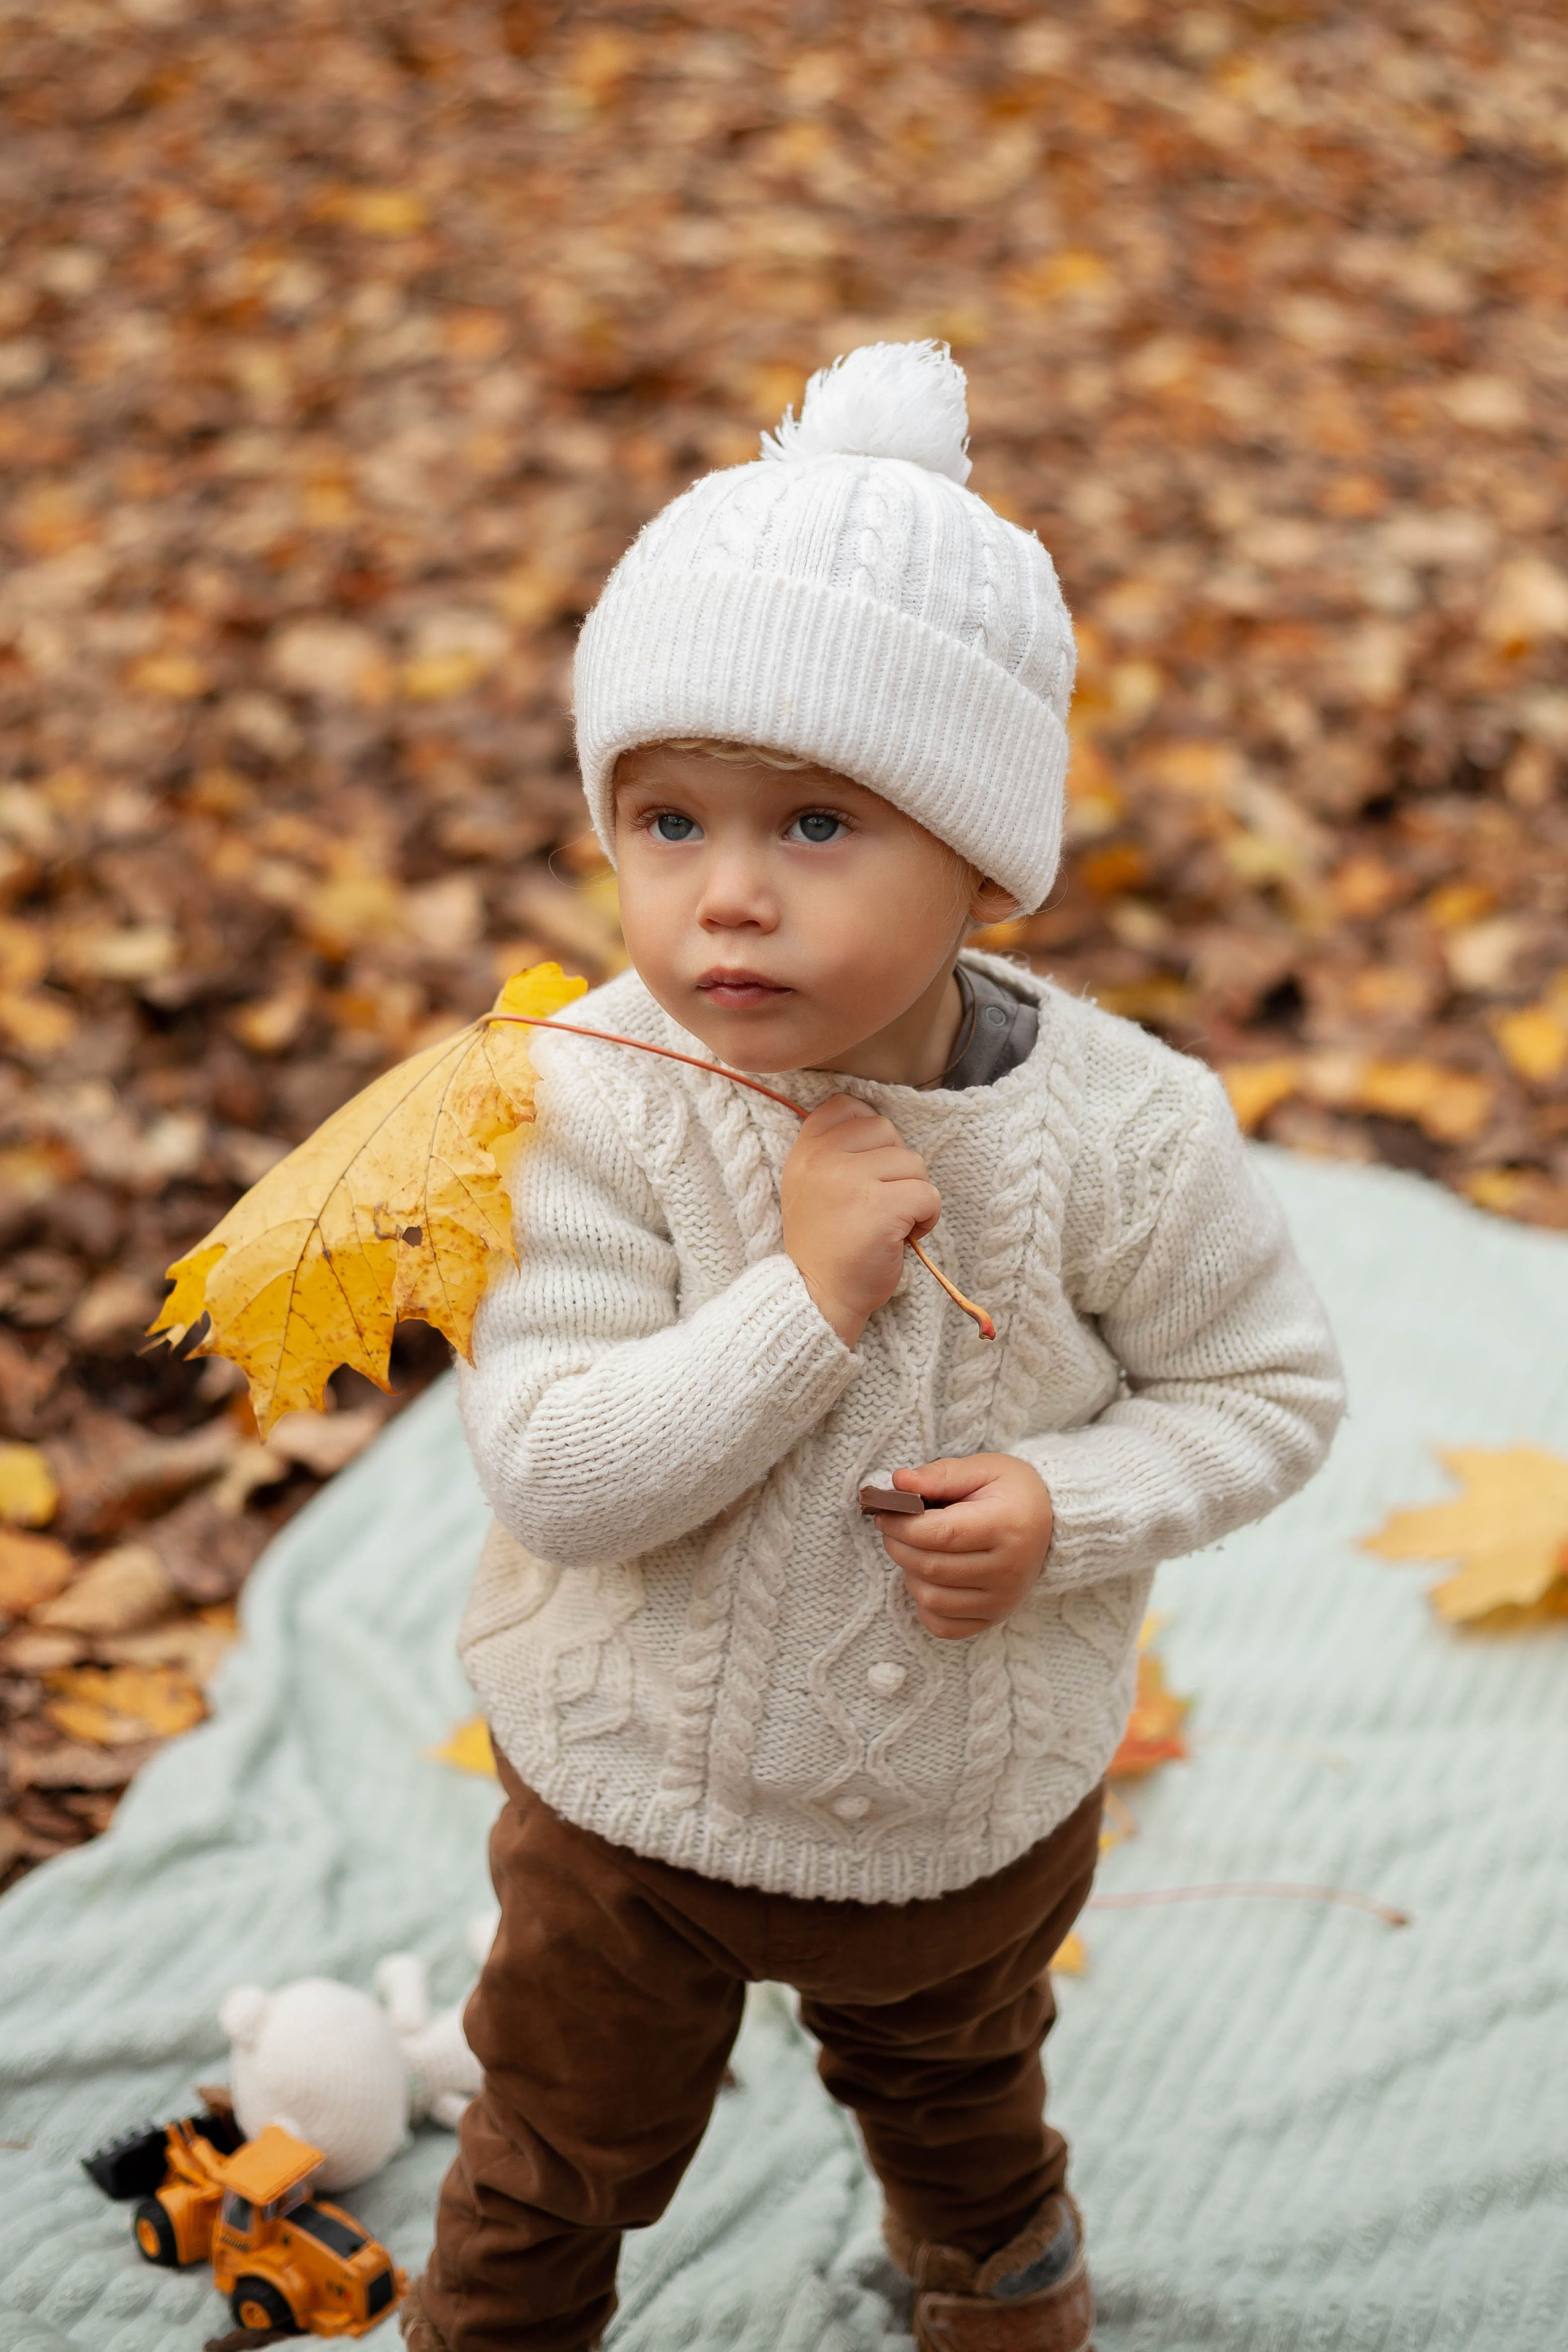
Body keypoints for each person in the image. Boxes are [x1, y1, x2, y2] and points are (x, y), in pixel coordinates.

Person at [402, 342, 1344, 2352]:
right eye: (667, 820)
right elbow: (552, 1466)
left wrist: (1069, 1502)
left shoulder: (1127, 1130)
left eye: (818, 824)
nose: (726, 898)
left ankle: (993, 2277)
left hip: (963, 1809)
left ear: (986, 861)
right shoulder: (587, 1099)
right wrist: (802, 1296)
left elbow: (1265, 1391)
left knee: (961, 2097)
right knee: (556, 2143)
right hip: (629, 1805)